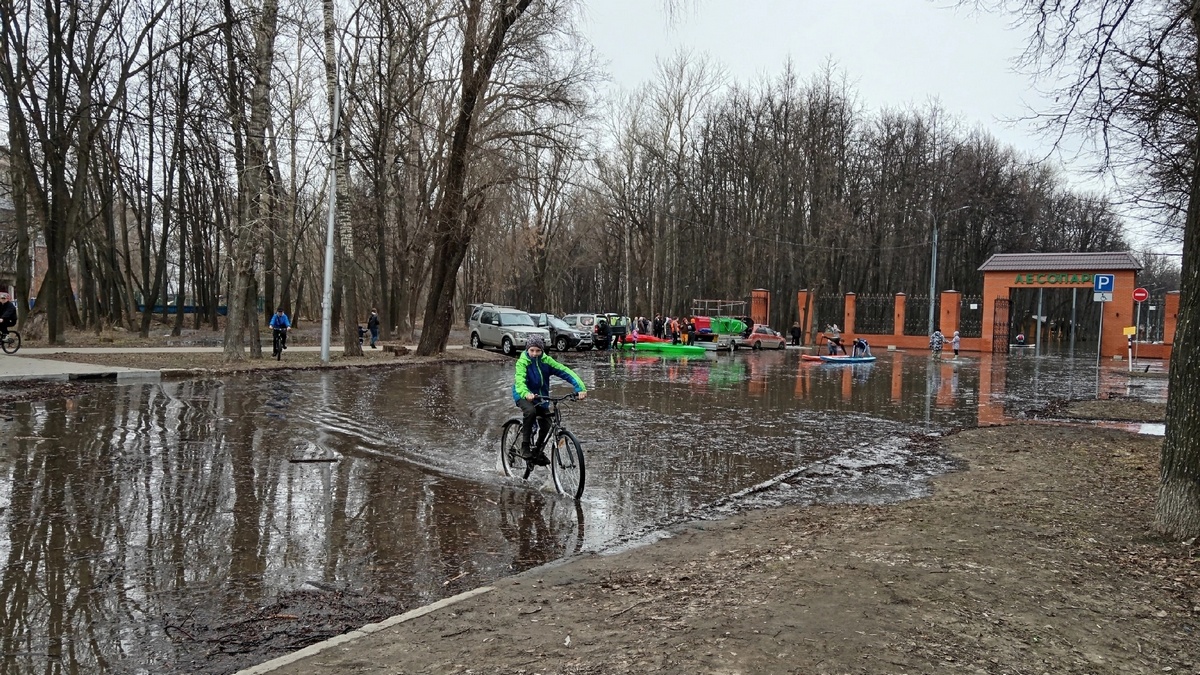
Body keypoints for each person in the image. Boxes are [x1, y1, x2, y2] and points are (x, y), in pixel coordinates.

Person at [512, 334, 587, 466]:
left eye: (538, 350)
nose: (535, 353)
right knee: (530, 412)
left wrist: (579, 388)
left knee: (547, 424)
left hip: (541, 397)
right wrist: (526, 393)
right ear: (527, 350)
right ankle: (524, 446)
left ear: (542, 351)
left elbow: (565, 371)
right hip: (523, 394)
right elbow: (519, 380)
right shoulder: (522, 362)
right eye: (532, 350)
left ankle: (538, 451)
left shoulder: (547, 361)